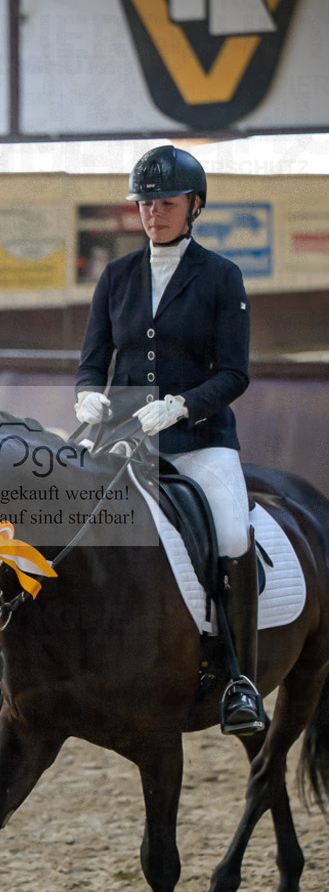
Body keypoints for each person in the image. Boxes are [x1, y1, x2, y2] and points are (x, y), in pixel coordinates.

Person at [74, 144, 266, 737]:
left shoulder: (221, 276)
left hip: (200, 439)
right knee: (57, 512)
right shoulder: (116, 276)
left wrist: (183, 405)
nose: (153, 213)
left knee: (232, 531)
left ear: (194, 206)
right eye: (145, 203)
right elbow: (93, 362)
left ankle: (239, 679)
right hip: (124, 439)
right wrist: (87, 396)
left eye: (166, 202)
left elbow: (235, 373)